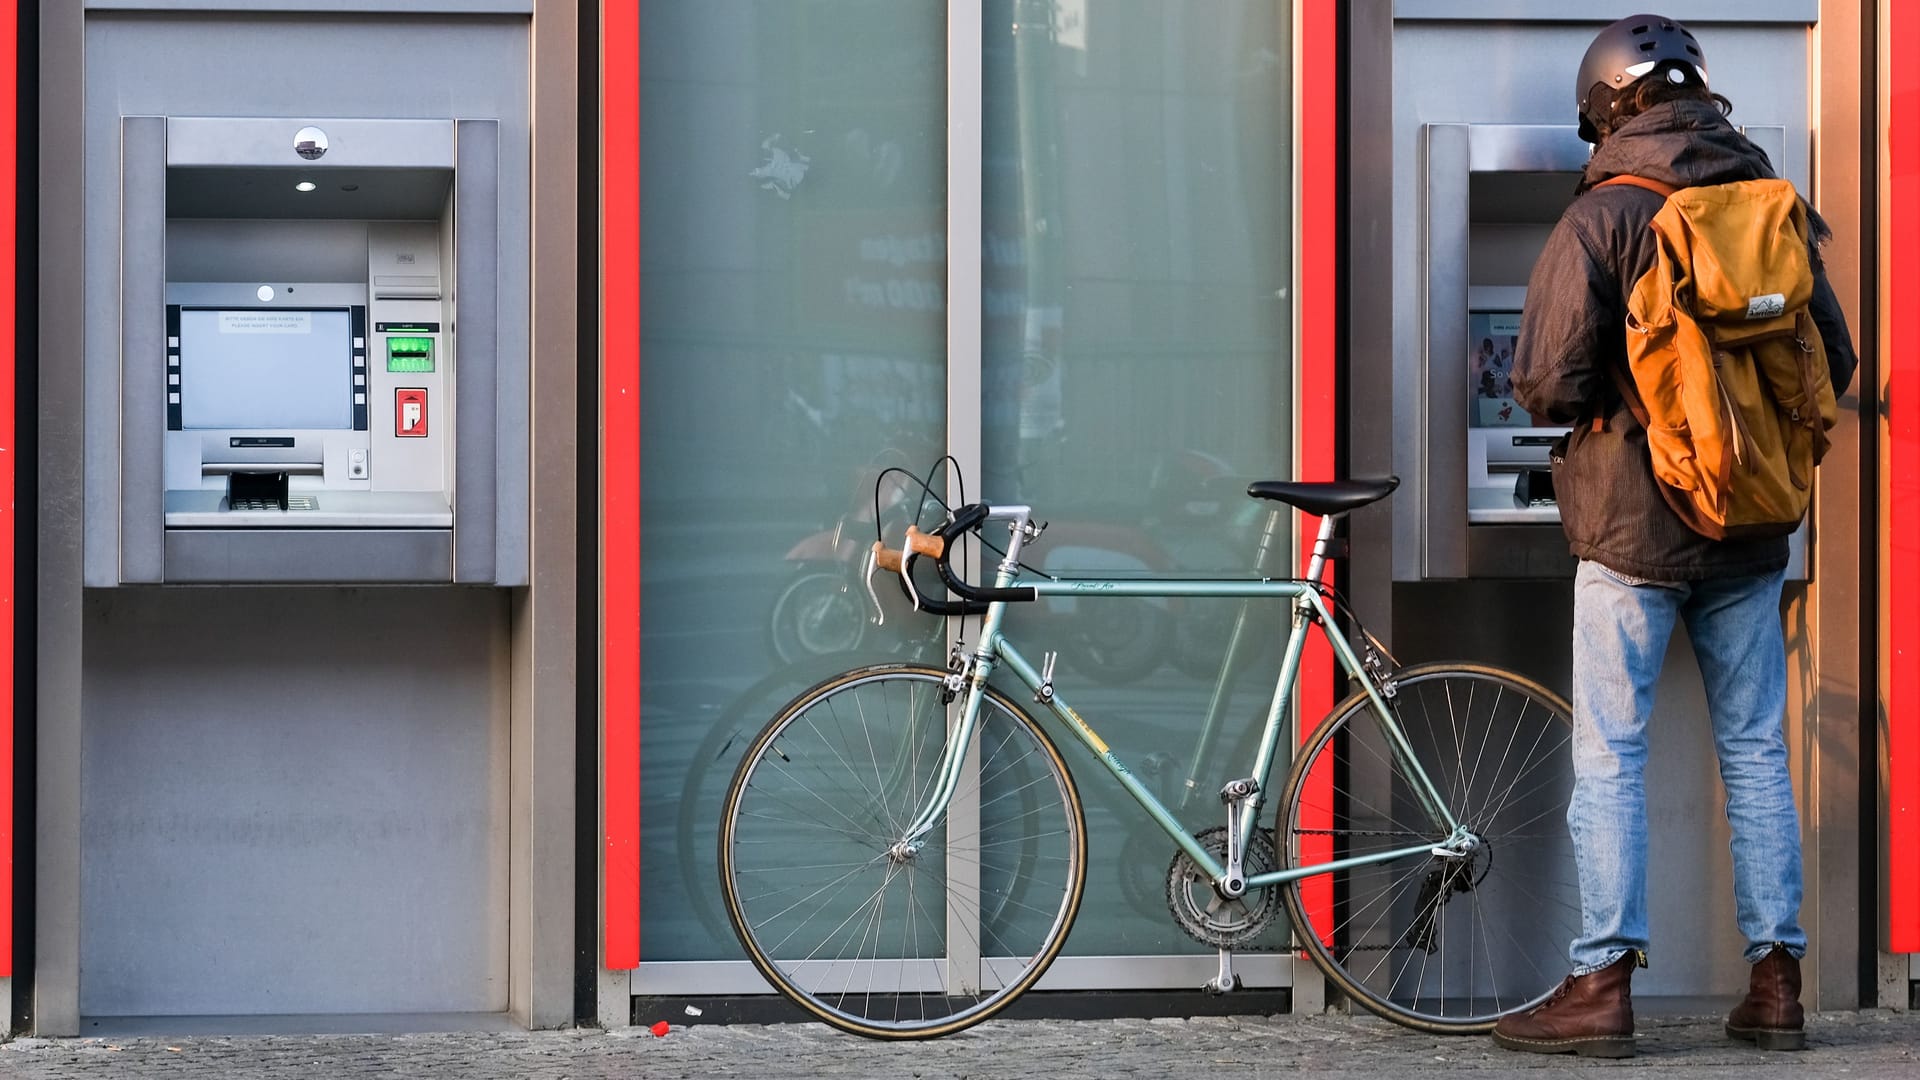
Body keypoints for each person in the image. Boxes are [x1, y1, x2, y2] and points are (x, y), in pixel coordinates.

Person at [1490, 13, 1858, 1059]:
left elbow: (1548, 382)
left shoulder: (1604, 213)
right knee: (1754, 753)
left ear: (1607, 106)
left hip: (1631, 528)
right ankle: (1776, 983)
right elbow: (1834, 360)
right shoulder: (1768, 205)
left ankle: (1601, 984)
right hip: (1749, 526)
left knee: (1612, 756)